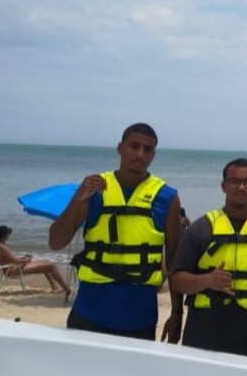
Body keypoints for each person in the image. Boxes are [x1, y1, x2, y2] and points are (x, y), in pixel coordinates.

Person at [49, 123, 183, 342]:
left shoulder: (167, 197)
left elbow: (175, 260)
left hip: (139, 318)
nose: (140, 154)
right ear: (120, 148)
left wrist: (177, 313)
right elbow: (55, 242)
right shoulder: (94, 189)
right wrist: (77, 200)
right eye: (134, 146)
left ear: (153, 155)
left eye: (147, 149)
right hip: (89, 312)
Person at [170, 158, 247, 361]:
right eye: (234, 182)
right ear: (223, 186)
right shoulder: (200, 229)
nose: (241, 187)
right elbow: (176, 279)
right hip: (202, 333)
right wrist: (207, 280)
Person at [0, 225, 71, 296]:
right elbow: (16, 261)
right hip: (13, 271)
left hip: (13, 268)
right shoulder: (1, 247)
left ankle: (55, 288)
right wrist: (26, 260)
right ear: (4, 235)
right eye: (8, 234)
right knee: (51, 265)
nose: (9, 236)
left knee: (46, 262)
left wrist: (23, 259)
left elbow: (12, 259)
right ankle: (66, 288)